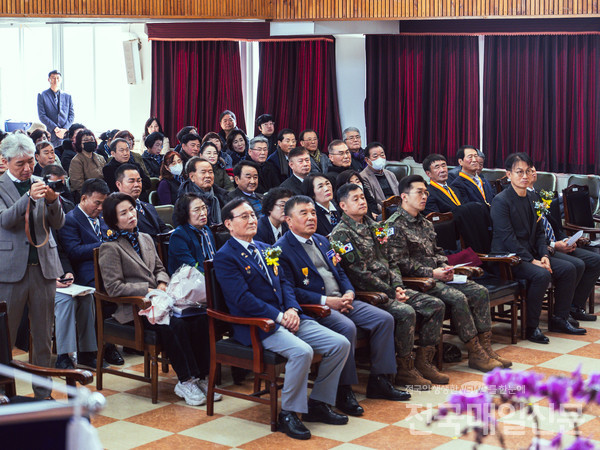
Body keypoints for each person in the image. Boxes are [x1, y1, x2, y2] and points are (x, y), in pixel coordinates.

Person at [214, 198, 351, 440]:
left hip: (288, 316)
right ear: (229, 224)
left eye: (253, 215)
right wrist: (278, 316)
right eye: (244, 217)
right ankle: (288, 413)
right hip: (259, 325)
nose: (252, 220)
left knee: (340, 344)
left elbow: (285, 283)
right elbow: (242, 299)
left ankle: (318, 403)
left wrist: (292, 310)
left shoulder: (267, 248)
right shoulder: (225, 256)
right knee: (302, 352)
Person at [278, 196, 409, 417]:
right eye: (304, 213)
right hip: (317, 307)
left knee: (384, 319)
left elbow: (339, 273)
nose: (311, 217)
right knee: (347, 327)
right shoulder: (282, 249)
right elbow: (289, 289)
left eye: (312, 212)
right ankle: (343, 390)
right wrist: (326, 302)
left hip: (344, 299)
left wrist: (348, 292)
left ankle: (380, 380)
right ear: (289, 220)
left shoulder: (322, 241)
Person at [99, 192, 215, 406]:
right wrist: (149, 290)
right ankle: (186, 380)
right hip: (135, 308)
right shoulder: (110, 248)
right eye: (123, 213)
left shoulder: (145, 238)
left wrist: (161, 283)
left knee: (198, 319)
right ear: (113, 220)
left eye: (132, 210)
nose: (131, 215)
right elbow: (113, 287)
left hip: (161, 301)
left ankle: (201, 377)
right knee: (174, 324)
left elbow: (161, 269)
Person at [386, 175, 510, 372]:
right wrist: (432, 273)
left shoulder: (425, 223)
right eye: (419, 192)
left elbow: (437, 252)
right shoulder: (394, 226)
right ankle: (475, 351)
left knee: (479, 291)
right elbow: (399, 263)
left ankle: (485, 348)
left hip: (439, 277)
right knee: (458, 297)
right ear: (404, 196)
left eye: (426, 192)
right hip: (418, 281)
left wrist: (445, 267)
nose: (424, 196)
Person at [330, 183, 447, 388]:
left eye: (363, 197)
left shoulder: (378, 226)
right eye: (355, 199)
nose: (362, 201)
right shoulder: (341, 235)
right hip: (369, 293)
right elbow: (358, 273)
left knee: (435, 304)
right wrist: (392, 292)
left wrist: (398, 286)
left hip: (392, 288)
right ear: (343, 206)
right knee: (405, 312)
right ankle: (404, 368)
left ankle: (424, 361)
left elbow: (392, 260)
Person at [490, 153, 586, 344]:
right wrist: (532, 260)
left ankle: (560, 318)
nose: (524, 176)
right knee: (541, 275)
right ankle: (531, 327)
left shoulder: (534, 197)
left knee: (571, 267)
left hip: (532, 253)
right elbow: (508, 238)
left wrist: (543, 255)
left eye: (527, 171)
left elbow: (540, 232)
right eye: (519, 172)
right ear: (508, 174)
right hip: (509, 258)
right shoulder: (501, 201)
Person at [0, 133, 66, 398]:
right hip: (10, 271)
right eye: (20, 164)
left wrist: (52, 201)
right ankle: (3, 391)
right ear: (5, 162)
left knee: (43, 335)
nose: (27, 168)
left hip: (44, 268)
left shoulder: (41, 182)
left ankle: (43, 392)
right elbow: (5, 221)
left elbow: (58, 223)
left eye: (30, 162)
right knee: (4, 337)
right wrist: (28, 197)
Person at [59, 177, 123, 366]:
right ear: (84, 198)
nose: (101, 208)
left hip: (108, 269)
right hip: (84, 272)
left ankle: (112, 344)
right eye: (97, 203)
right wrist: (103, 246)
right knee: (100, 294)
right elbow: (73, 251)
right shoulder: (70, 220)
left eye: (104, 203)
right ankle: (94, 350)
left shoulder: (103, 218)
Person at [529, 167, 600, 322]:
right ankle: (562, 312)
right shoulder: (522, 198)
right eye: (528, 171)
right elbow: (532, 235)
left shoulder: (538, 194)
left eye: (534, 170)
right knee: (576, 264)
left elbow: (554, 225)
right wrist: (554, 245)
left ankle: (576, 307)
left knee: (595, 260)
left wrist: (566, 240)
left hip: (557, 243)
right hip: (543, 248)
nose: (533, 173)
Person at [167, 193, 217, 275]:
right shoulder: (179, 236)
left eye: (204, 208)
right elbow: (191, 267)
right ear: (185, 213)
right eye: (197, 210)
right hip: (191, 280)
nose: (203, 213)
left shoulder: (206, 229)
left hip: (212, 275)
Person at [115, 164, 170, 236]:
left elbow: (163, 228)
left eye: (139, 181)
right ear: (119, 184)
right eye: (131, 181)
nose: (136, 185)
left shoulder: (148, 206)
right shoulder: (116, 210)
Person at [177, 157, 229, 225]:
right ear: (192, 177)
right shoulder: (183, 200)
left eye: (210, 172)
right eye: (203, 172)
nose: (208, 176)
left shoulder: (221, 195)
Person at [37, 70, 74, 147]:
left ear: (60, 80)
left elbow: (71, 115)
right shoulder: (42, 95)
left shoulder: (68, 96)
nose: (55, 80)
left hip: (65, 134)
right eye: (53, 78)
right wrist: (55, 128)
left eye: (58, 78)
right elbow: (42, 116)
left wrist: (64, 129)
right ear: (49, 80)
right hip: (51, 133)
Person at [360, 142, 399, 213]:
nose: (380, 158)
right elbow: (371, 201)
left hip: (397, 208)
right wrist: (386, 212)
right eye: (375, 156)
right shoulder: (363, 177)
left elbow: (399, 193)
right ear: (367, 160)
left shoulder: (390, 174)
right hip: (382, 211)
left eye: (382, 155)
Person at [69, 128, 106, 199]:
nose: (89, 142)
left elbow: (106, 176)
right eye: (86, 140)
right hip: (86, 195)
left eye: (91, 140)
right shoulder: (76, 160)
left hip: (103, 191)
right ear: (80, 144)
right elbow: (78, 184)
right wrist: (93, 195)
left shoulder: (100, 158)